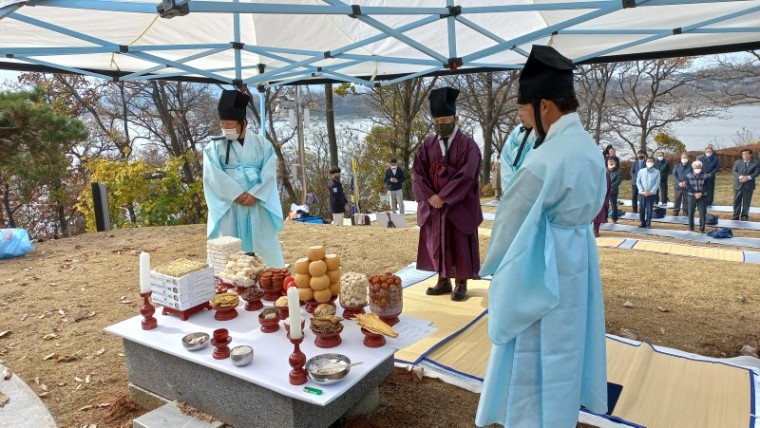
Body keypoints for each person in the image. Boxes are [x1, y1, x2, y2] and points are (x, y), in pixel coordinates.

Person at [476, 45, 608, 428]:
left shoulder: (545, 158)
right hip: (578, 255)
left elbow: (511, 221)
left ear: (545, 105)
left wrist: (495, 267)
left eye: (525, 111)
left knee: (534, 344)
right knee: (569, 342)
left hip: (543, 260)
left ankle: (531, 418)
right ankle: (561, 414)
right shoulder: (589, 148)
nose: (526, 122)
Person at [412, 86, 482, 302]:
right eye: (437, 122)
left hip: (458, 205)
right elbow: (417, 172)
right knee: (437, 242)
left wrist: (444, 196)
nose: (441, 125)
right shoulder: (427, 145)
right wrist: (430, 197)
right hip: (434, 206)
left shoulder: (468, 145)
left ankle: (461, 282)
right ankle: (443, 280)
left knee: (459, 242)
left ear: (456, 119)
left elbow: (467, 175)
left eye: (445, 120)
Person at [203, 89, 285, 267]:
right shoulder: (213, 147)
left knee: (261, 246)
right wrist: (236, 194)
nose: (226, 128)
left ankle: (267, 280)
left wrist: (255, 194)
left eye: (230, 124)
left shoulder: (262, 144)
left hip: (256, 205)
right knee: (229, 248)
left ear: (244, 123)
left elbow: (269, 172)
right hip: (230, 206)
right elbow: (212, 176)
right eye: (223, 124)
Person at [500, 110, 535, 187]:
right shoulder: (517, 131)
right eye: (518, 108)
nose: (519, 114)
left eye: (523, 108)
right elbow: (506, 160)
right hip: (514, 190)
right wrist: (509, 190)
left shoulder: (551, 131)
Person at [731, 149, 760, 221]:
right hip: (738, 184)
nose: (745, 155)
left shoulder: (756, 163)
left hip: (748, 185)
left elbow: (756, 173)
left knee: (746, 201)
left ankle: (744, 215)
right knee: (737, 201)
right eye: (743, 154)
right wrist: (740, 177)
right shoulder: (737, 162)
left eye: (747, 154)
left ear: (750, 155)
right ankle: (736, 215)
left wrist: (748, 177)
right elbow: (734, 171)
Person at [636, 156, 660, 228]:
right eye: (648, 161)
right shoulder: (641, 171)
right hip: (642, 194)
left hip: (651, 194)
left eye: (651, 161)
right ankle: (642, 222)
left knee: (649, 209)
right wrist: (642, 191)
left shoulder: (657, 172)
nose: (649, 163)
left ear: (653, 163)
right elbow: (638, 182)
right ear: (646, 162)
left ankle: (648, 223)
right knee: (642, 209)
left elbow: (657, 183)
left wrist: (651, 192)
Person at [686, 160, 710, 232]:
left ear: (701, 167)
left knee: (702, 212)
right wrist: (694, 193)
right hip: (692, 196)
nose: (697, 169)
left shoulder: (706, 176)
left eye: (699, 167)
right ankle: (691, 228)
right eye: (696, 167)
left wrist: (701, 193)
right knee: (690, 212)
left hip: (702, 196)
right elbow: (688, 187)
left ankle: (702, 228)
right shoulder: (688, 175)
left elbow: (707, 186)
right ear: (693, 167)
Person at [593, 164, 612, 237]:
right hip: (590, 197)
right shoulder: (591, 174)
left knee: (598, 214)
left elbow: (606, 187)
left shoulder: (605, 175)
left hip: (600, 197)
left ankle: (595, 230)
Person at [672, 152, 692, 216]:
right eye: (683, 157)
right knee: (677, 200)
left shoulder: (691, 166)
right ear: (681, 158)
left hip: (687, 186)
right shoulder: (676, 166)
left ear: (688, 158)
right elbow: (674, 175)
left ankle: (686, 212)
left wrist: (686, 182)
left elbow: (692, 175)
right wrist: (679, 183)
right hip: (678, 187)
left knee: (686, 200)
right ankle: (676, 211)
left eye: (685, 157)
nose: (684, 159)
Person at [608, 157, 622, 223]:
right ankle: (604, 218)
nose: (610, 162)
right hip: (604, 190)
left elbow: (618, 181)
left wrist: (610, 187)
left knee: (613, 205)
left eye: (612, 161)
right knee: (604, 205)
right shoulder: (605, 170)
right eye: (609, 161)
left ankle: (614, 218)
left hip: (613, 191)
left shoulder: (619, 171)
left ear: (615, 162)